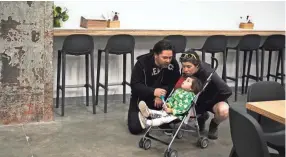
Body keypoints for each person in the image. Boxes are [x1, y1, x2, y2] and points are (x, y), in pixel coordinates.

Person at [175, 49, 232, 140]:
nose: (185, 69)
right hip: (197, 99)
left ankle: (214, 124)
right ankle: (202, 116)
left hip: (213, 99)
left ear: (197, 65)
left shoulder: (208, 72)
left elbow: (227, 91)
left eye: (189, 67)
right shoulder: (186, 71)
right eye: (183, 66)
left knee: (223, 111)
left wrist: (209, 101)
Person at [127, 39, 181, 135]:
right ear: (155, 55)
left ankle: (154, 116)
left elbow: (175, 84)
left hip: (164, 99)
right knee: (135, 128)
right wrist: (153, 91)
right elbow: (135, 85)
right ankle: (154, 116)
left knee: (178, 117)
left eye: (170, 57)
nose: (168, 61)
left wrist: (161, 94)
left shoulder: (173, 64)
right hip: (142, 99)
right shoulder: (142, 63)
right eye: (164, 57)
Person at [137, 76, 202, 128]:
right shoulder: (178, 90)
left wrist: (171, 110)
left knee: (163, 119)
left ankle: (147, 123)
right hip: (169, 111)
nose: (184, 81)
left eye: (188, 81)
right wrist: (168, 104)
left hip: (177, 115)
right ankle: (148, 111)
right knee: (160, 113)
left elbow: (183, 109)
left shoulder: (189, 96)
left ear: (191, 88)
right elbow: (172, 99)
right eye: (185, 79)